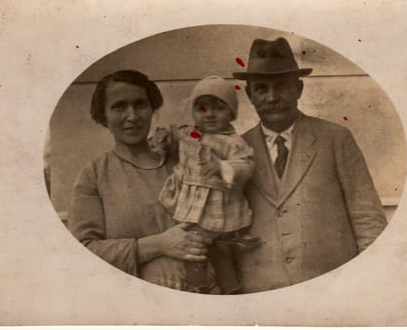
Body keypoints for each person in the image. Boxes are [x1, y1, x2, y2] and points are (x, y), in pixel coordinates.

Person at [232, 37, 388, 293]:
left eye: (281, 86)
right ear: (249, 94)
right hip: (262, 295)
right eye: (261, 88)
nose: (272, 97)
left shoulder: (335, 138)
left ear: (299, 89)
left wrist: (365, 279)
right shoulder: (235, 150)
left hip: (333, 289)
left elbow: (367, 218)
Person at [68, 70, 211, 291]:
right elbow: (84, 251)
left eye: (140, 104)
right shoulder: (94, 176)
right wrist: (158, 245)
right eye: (119, 106)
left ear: (152, 109)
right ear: (103, 116)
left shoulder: (182, 161)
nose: (132, 116)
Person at [157, 75, 258, 293]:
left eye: (218, 109)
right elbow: (180, 135)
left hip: (217, 208)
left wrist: (223, 167)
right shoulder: (194, 133)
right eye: (202, 109)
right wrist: (166, 138)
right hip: (193, 206)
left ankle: (231, 288)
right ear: (194, 113)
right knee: (193, 249)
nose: (210, 115)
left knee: (221, 250)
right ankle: (198, 287)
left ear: (232, 113)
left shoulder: (233, 142)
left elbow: (246, 165)